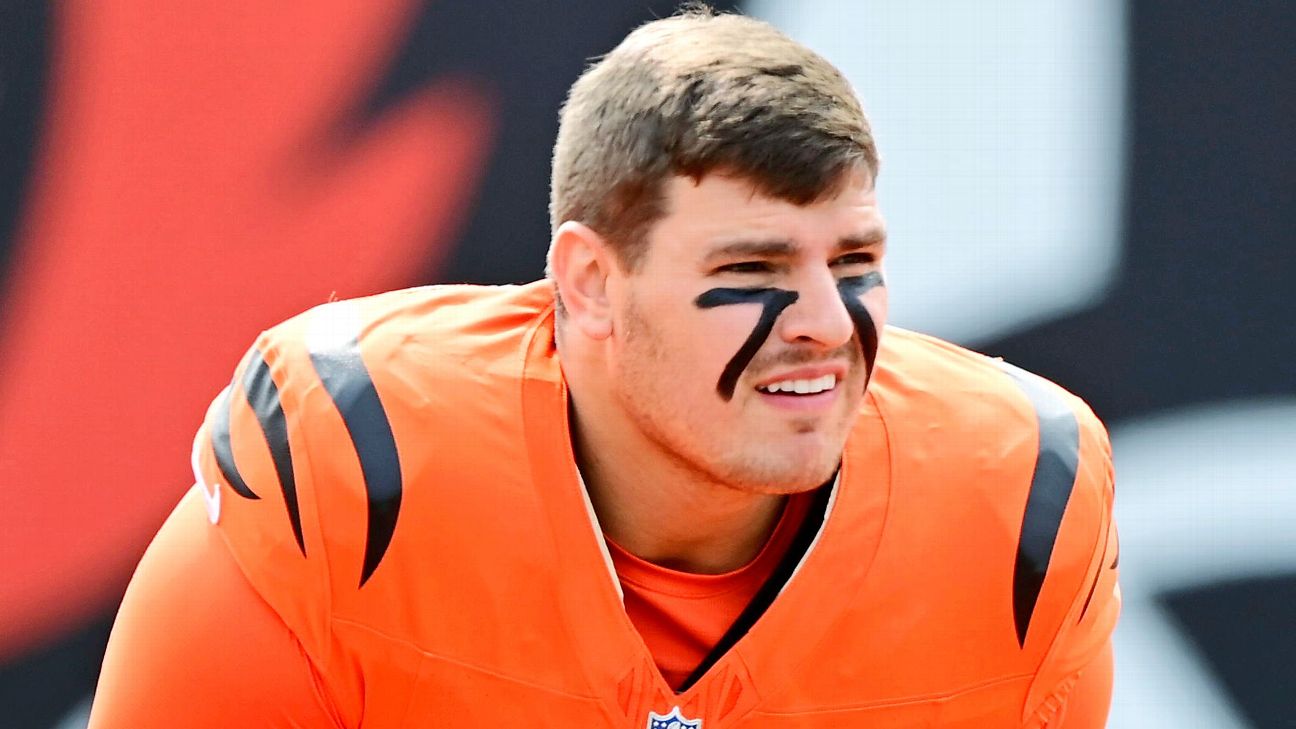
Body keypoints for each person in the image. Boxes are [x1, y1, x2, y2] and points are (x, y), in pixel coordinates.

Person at [89, 6, 1119, 728]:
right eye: (751, 269)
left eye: (854, 263)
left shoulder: (1016, 504)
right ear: (588, 281)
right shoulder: (355, 465)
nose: (823, 324)